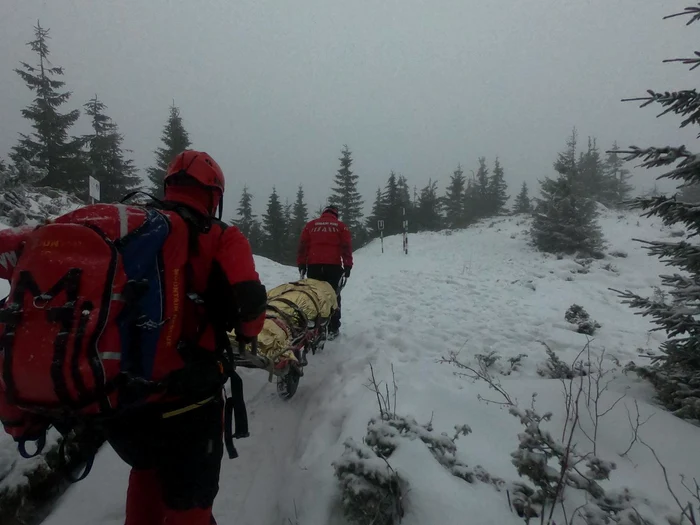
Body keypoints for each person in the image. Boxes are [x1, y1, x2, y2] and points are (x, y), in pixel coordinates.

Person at [0, 150, 267, 525]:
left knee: (145, 472)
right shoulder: (224, 237)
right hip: (189, 405)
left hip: (121, 405)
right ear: (214, 196)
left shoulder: (123, 228)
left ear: (169, 186)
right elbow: (250, 314)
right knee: (189, 507)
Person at [296, 205, 353, 339]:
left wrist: (301, 264)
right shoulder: (340, 226)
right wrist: (348, 265)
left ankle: (315, 325)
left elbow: (302, 246)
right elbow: (346, 247)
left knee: (315, 296)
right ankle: (333, 327)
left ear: (324, 213)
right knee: (333, 296)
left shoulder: (311, 225)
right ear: (335, 214)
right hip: (333, 266)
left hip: (314, 266)